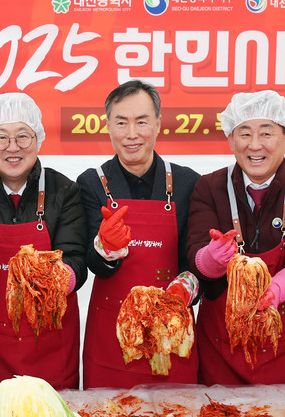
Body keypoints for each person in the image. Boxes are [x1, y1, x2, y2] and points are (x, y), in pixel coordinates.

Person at [186, 90, 285, 385]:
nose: (254, 145)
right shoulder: (209, 188)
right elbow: (195, 254)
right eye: (244, 134)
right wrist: (212, 258)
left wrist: (276, 291)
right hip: (220, 347)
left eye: (266, 133)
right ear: (231, 139)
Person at [0, 93, 87, 389]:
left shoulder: (63, 191)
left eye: (23, 135)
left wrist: (52, 280)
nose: (13, 147)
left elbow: (76, 260)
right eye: (1, 137)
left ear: (38, 140)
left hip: (52, 344)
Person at [77, 80, 201, 388]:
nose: (131, 134)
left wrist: (184, 289)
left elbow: (197, 262)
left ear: (158, 124)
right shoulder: (92, 182)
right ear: (108, 126)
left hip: (172, 334)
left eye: (142, 122)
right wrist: (106, 248)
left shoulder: (188, 183)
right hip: (111, 339)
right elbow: (91, 262)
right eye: (121, 123)